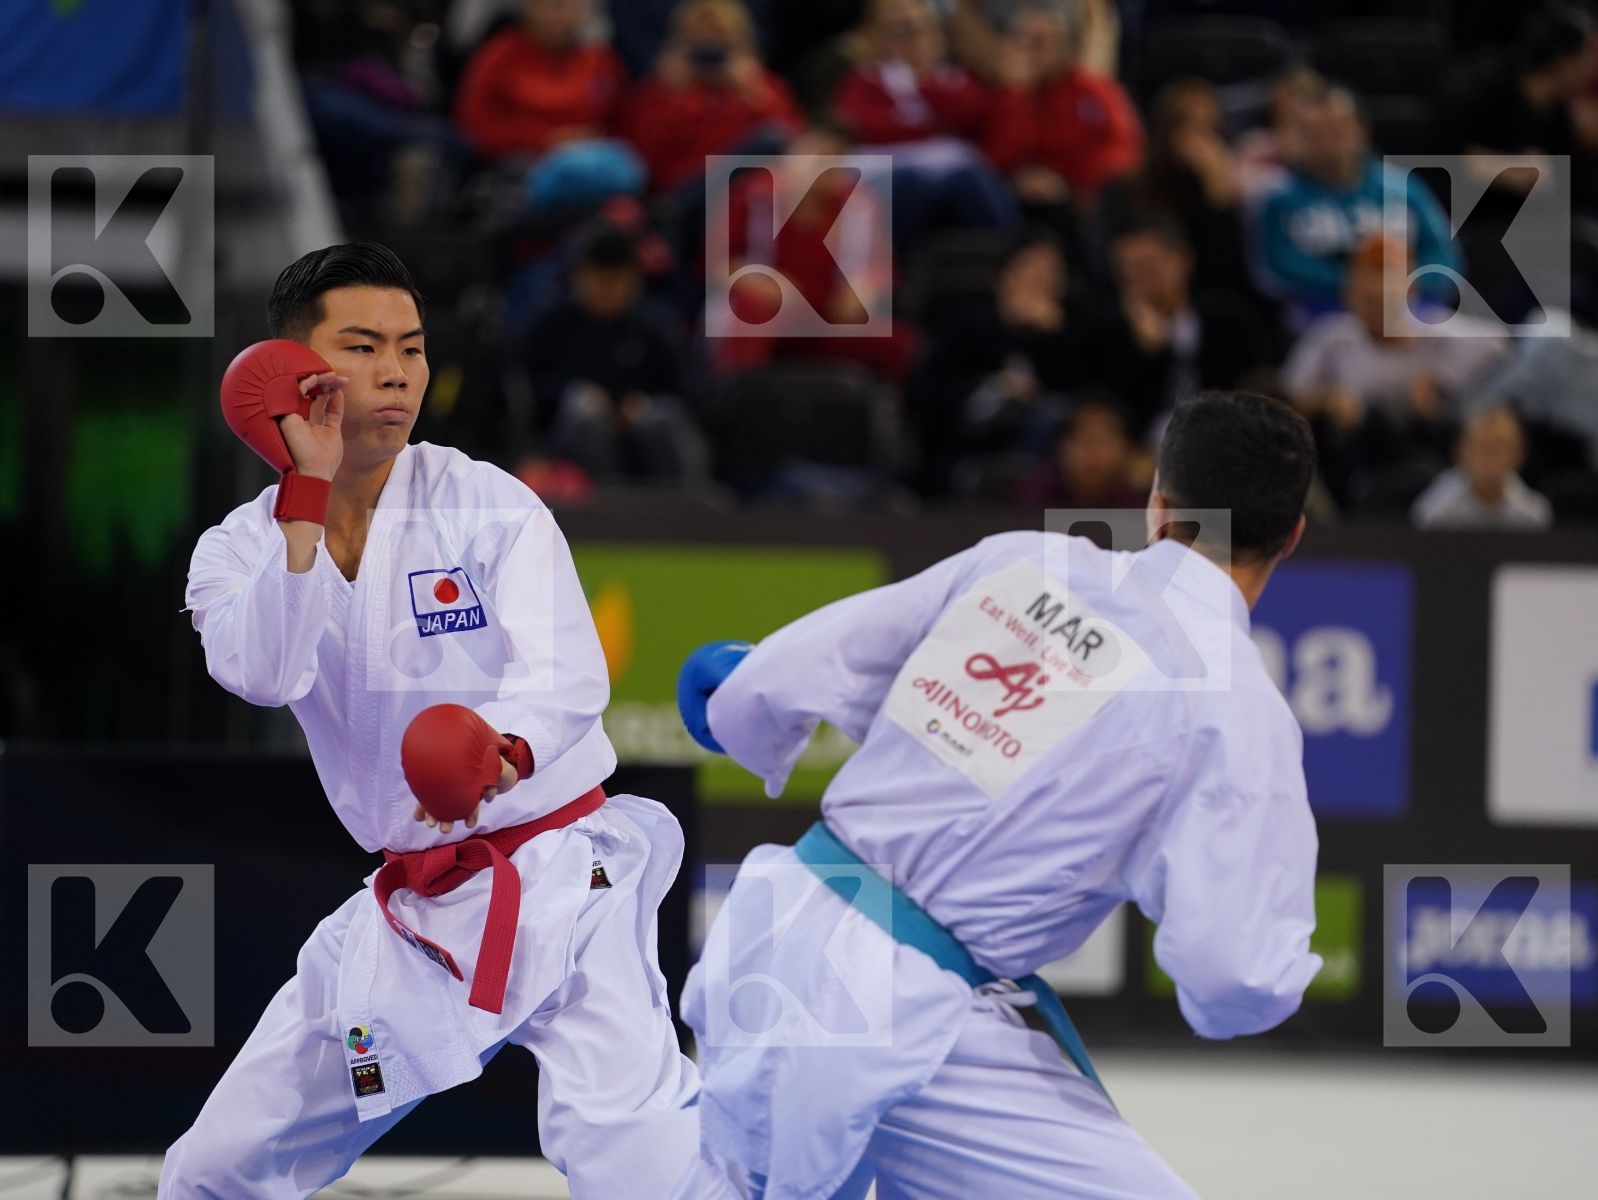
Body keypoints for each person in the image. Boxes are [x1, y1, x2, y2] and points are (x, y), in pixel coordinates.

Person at [671, 388, 1323, 1200]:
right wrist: (1261, 986)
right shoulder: (1237, 708)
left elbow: (806, 666)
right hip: (900, 1011)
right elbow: (1229, 970)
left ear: (1158, 498)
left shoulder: (1026, 561)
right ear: (1291, 536)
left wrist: (740, 704)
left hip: (783, 925)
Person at [160, 243, 700, 1198]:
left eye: (411, 348)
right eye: (363, 347)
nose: (398, 372)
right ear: (292, 370)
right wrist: (305, 503)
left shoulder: (488, 503)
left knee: (639, 1157)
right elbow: (263, 671)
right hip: (411, 903)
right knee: (216, 1168)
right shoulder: (235, 548)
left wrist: (503, 754)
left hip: (562, 870)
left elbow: (569, 677)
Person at [1282, 234, 1508, 505]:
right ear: (1350, 295)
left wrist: (1442, 380)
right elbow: (1286, 396)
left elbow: (1500, 346)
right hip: (1359, 456)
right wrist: (1327, 400)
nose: (1378, 309)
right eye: (1369, 299)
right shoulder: (1334, 338)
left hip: (1431, 450)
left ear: (1410, 291)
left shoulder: (1437, 331)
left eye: (1385, 297)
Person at [1252, 86, 1460, 325]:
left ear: (1362, 130)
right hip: (1321, 314)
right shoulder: (1277, 197)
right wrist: (1361, 287)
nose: (1329, 142)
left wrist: (1397, 286)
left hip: (1408, 309)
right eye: (1316, 133)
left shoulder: (1403, 187)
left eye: (1337, 129)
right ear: (1300, 138)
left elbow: (1445, 256)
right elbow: (1277, 268)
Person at [523, 223, 705, 481]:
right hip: (570, 438)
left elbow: (683, 390)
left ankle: (685, 506)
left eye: (617, 280)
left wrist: (639, 404)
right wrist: (574, 391)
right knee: (584, 413)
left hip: (639, 431)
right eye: (599, 278)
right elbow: (530, 387)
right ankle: (604, 507)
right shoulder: (553, 324)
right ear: (578, 277)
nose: (607, 289)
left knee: (662, 418)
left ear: (635, 281)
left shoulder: (654, 326)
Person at [1099, 215, 1275, 440]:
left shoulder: (1229, 318)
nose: (1138, 278)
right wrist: (1149, 353)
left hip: (1224, 434)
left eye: (1147, 266)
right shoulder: (1107, 329)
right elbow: (1117, 406)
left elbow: (1255, 380)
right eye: (1128, 270)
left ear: (1184, 260)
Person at [617, 0, 804, 194]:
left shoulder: (764, 88)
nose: (710, 52)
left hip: (747, 195)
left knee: (771, 140)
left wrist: (752, 95)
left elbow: (792, 145)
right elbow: (640, 162)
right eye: (699, 42)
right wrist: (677, 97)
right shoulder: (657, 91)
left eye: (720, 42)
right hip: (684, 196)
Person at [1411, 407, 1554, 530]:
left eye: (1500, 448)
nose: (1490, 456)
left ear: (1519, 454)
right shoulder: (1434, 511)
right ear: (1460, 451)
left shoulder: (1534, 514)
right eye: (1482, 446)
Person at [1013, 394, 1149, 510]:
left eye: (1103, 440)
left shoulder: (1142, 503)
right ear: (1063, 446)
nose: (1093, 451)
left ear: (1126, 447)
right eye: (1085, 439)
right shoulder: (1035, 495)